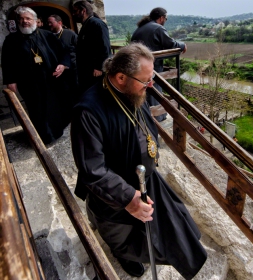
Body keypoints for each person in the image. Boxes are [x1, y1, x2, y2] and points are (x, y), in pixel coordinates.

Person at [71, 43, 207, 279]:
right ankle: (124, 256)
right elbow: (93, 170)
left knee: (177, 231)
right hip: (118, 191)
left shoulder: (133, 91)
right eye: (145, 80)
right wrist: (127, 197)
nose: (150, 84)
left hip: (147, 179)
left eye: (151, 77)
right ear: (121, 76)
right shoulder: (88, 111)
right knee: (125, 237)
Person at [1, 6, 71, 144]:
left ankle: (56, 132)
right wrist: (11, 80)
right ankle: (42, 137)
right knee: (36, 110)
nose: (24, 21)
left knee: (53, 107)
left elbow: (65, 53)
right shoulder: (11, 40)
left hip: (50, 80)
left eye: (27, 18)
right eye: (21, 19)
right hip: (28, 83)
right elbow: (7, 62)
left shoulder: (47, 36)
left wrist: (62, 65)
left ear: (35, 20)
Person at [131, 7, 187, 122]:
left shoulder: (140, 28)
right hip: (152, 67)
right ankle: (157, 118)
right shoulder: (158, 28)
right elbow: (171, 44)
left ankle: (144, 117)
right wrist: (183, 45)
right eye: (165, 18)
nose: (165, 21)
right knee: (154, 92)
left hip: (137, 66)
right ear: (161, 18)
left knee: (144, 93)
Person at [72, 0, 111, 94]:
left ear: (83, 11)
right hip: (87, 70)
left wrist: (100, 67)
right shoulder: (87, 25)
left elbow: (104, 46)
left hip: (96, 72)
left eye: (76, 11)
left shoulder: (97, 24)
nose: (73, 14)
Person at [48, 14, 79, 104]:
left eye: (51, 23)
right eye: (48, 23)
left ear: (59, 23)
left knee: (74, 91)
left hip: (72, 69)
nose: (49, 24)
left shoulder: (70, 34)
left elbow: (79, 49)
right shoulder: (48, 36)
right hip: (56, 70)